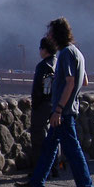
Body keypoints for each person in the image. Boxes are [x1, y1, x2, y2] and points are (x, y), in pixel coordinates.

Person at [15, 17, 94, 187]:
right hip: (67, 109)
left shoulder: (66, 53)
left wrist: (59, 109)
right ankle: (36, 184)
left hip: (63, 112)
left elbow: (70, 82)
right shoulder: (77, 53)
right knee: (49, 147)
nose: (48, 36)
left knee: (72, 150)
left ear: (57, 34)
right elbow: (84, 81)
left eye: (50, 32)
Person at [29, 37, 58, 177]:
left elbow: (37, 89)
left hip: (42, 105)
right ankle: (55, 166)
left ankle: (38, 169)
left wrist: (35, 105)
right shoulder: (58, 63)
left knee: (38, 137)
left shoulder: (42, 66)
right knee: (54, 137)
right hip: (55, 104)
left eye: (40, 48)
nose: (39, 51)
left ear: (44, 50)